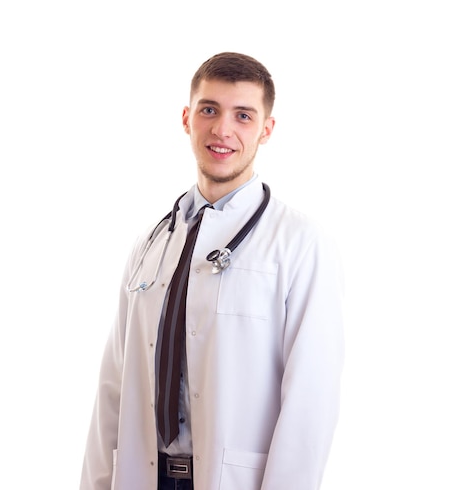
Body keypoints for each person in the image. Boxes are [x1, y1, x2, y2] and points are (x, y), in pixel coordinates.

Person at [80, 52, 344, 490]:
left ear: (266, 129)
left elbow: (310, 401)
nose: (223, 130)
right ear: (187, 119)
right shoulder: (150, 244)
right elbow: (114, 385)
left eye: (243, 115)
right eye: (209, 110)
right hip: (146, 477)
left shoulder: (299, 243)